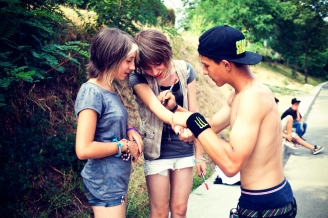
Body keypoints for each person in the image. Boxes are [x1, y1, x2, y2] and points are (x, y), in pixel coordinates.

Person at [170, 25, 297, 217]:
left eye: (206, 65)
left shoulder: (253, 97)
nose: (204, 72)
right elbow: (209, 127)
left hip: (266, 205)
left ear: (226, 64)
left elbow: (231, 164)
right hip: (260, 200)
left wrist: (192, 121)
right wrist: (176, 109)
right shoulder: (239, 95)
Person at [129, 29, 206, 218]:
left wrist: (199, 154)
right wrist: (172, 113)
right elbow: (156, 107)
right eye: (148, 68)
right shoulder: (137, 77)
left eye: (158, 64)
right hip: (157, 151)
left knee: (180, 211)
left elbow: (194, 113)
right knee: (160, 213)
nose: (154, 72)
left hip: (184, 149)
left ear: (166, 53)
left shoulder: (185, 71)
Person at [74, 28, 144, 218]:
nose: (132, 67)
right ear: (111, 56)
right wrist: (124, 146)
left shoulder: (109, 89)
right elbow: (83, 149)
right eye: (128, 61)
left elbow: (108, 126)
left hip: (115, 181)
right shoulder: (92, 92)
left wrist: (129, 130)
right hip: (104, 183)